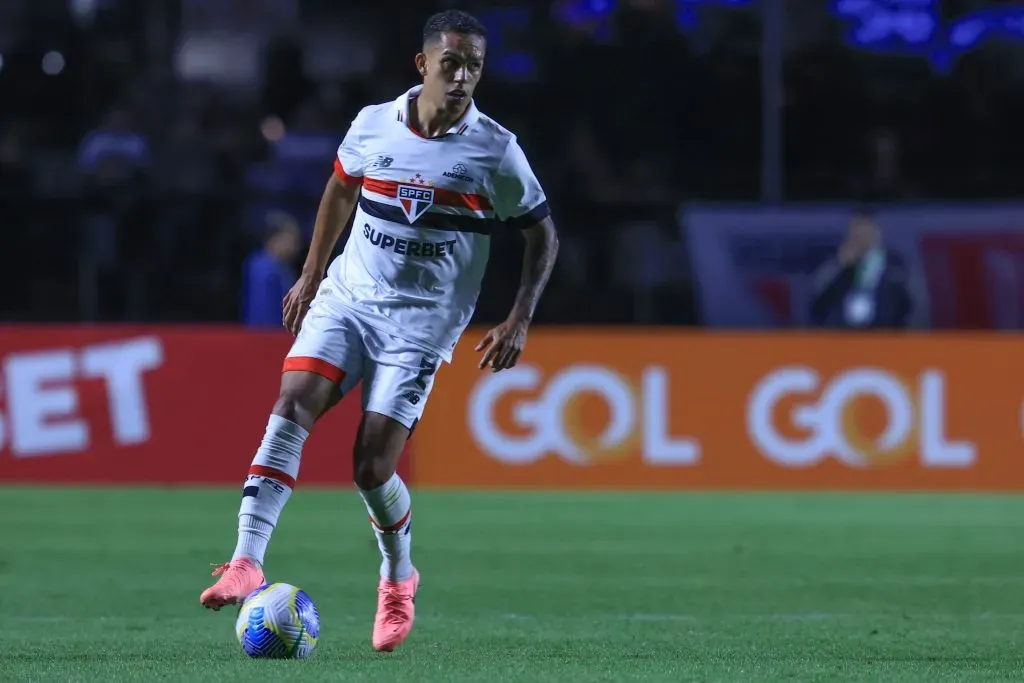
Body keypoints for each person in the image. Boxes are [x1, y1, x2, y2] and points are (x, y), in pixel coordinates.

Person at [199, 9, 559, 653]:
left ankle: (398, 577)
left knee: (370, 466)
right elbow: (340, 188)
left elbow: (541, 233)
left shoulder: (495, 149)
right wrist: (311, 274)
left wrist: (520, 315)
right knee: (292, 404)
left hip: (421, 325)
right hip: (349, 298)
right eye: (452, 63)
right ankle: (246, 559)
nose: (463, 77)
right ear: (423, 65)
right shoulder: (372, 124)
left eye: (474, 66)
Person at [809, 209, 921, 329]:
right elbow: (816, 303)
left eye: (865, 230)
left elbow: (914, 306)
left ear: (877, 232)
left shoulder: (896, 266)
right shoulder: (836, 265)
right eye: (856, 230)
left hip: (885, 338)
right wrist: (839, 267)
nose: (860, 236)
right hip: (842, 339)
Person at [241, 212, 302, 327]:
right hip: (265, 335)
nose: (295, 246)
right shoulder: (262, 267)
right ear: (275, 238)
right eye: (291, 240)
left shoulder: (284, 267)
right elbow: (262, 310)